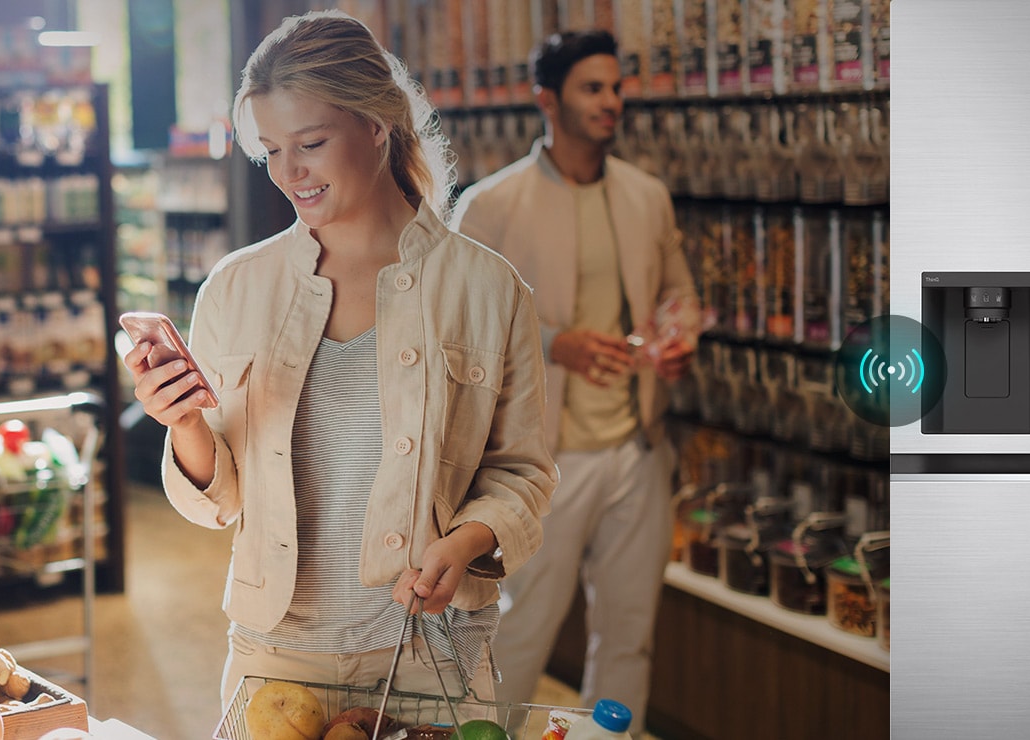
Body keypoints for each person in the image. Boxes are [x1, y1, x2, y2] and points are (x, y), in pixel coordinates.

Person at [122, 10, 556, 711]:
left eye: (311, 143)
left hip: (430, 654)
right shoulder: (236, 287)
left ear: (376, 125)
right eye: (271, 151)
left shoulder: (487, 288)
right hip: (276, 656)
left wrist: (466, 540)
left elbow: (523, 473)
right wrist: (184, 425)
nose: (290, 173)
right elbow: (221, 501)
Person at [449, 29, 700, 732]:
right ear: (546, 101)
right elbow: (455, 329)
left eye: (616, 87)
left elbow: (679, 294)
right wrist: (558, 344)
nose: (611, 101)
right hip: (541, 463)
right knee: (520, 630)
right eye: (593, 88)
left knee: (628, 638)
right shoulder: (491, 206)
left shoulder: (647, 196)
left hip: (637, 450)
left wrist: (679, 340)